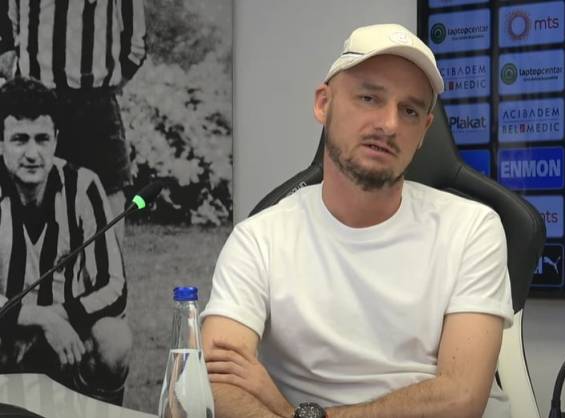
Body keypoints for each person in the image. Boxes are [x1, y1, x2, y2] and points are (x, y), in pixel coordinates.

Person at [201, 23, 514, 418]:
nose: (389, 124)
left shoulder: (471, 229)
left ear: (423, 132)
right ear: (323, 104)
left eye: (410, 110)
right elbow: (215, 382)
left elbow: (459, 399)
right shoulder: (258, 239)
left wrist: (300, 414)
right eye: (369, 98)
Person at [0, 77, 131, 405]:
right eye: (20, 139)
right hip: (7, 337)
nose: (33, 154)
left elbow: (114, 286)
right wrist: (38, 317)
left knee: (114, 337)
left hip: (70, 338)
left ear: (56, 140)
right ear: (0, 143)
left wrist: (58, 317)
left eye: (42, 139)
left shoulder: (83, 186)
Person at [3, 0, 147, 235]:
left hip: (95, 105)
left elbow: (136, 43)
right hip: (36, 106)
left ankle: (106, 261)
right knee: (30, 205)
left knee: (106, 203)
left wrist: (103, 86)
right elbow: (8, 27)